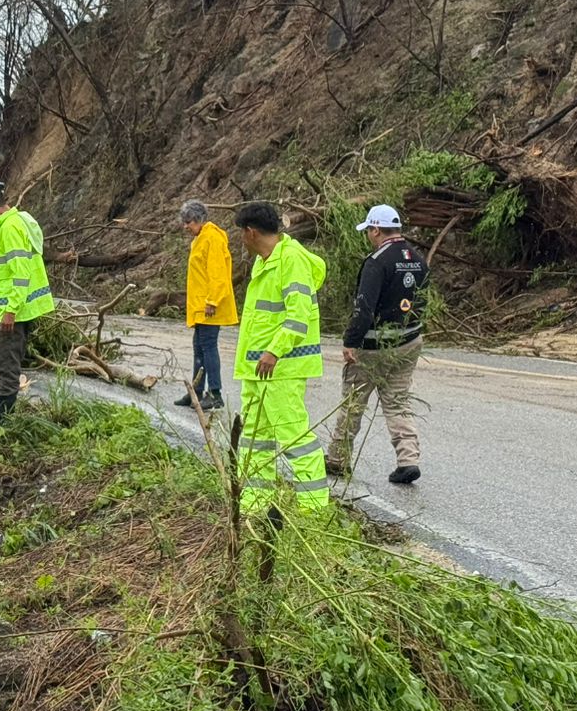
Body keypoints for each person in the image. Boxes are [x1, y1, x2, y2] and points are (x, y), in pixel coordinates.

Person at [232, 201, 328, 515]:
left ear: (250, 232)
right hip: (256, 368)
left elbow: (298, 317)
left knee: (293, 435)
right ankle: (254, 503)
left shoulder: (292, 260)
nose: (241, 241)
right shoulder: (264, 261)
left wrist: (274, 351)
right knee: (255, 439)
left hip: (281, 367)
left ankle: (313, 507)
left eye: (241, 235)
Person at [327, 204, 429, 485]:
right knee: (397, 402)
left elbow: (364, 307)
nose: (368, 236)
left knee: (353, 402)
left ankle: (337, 459)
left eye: (369, 231)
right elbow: (422, 301)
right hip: (408, 341)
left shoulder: (376, 261)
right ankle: (408, 459)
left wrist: (351, 341)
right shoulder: (418, 259)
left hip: (374, 346)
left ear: (375, 229)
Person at [0, 176, 55, 420]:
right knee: (9, 366)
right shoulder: (19, 221)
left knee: (6, 370)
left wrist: (10, 310)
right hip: (21, 309)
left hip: (14, 311)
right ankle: (2, 425)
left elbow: (21, 273)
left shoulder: (9, 227)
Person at [174, 200, 236, 411]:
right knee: (198, 348)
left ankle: (215, 394)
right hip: (201, 306)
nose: (186, 226)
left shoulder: (212, 238)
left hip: (210, 306)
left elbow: (218, 273)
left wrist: (212, 301)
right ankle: (196, 392)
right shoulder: (200, 238)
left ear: (199, 220)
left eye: (188, 222)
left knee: (208, 348)